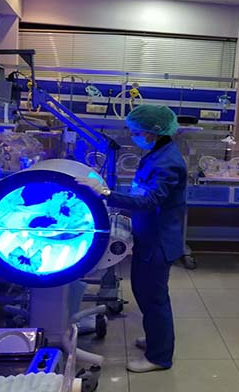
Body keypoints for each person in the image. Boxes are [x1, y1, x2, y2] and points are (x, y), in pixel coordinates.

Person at [76, 105, 187, 373]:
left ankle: (159, 357)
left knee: (154, 298)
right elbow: (141, 192)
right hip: (148, 235)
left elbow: (149, 200)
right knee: (144, 292)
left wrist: (106, 194)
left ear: (154, 131)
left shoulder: (168, 162)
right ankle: (156, 337)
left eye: (137, 132)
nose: (134, 136)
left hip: (159, 241)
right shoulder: (156, 154)